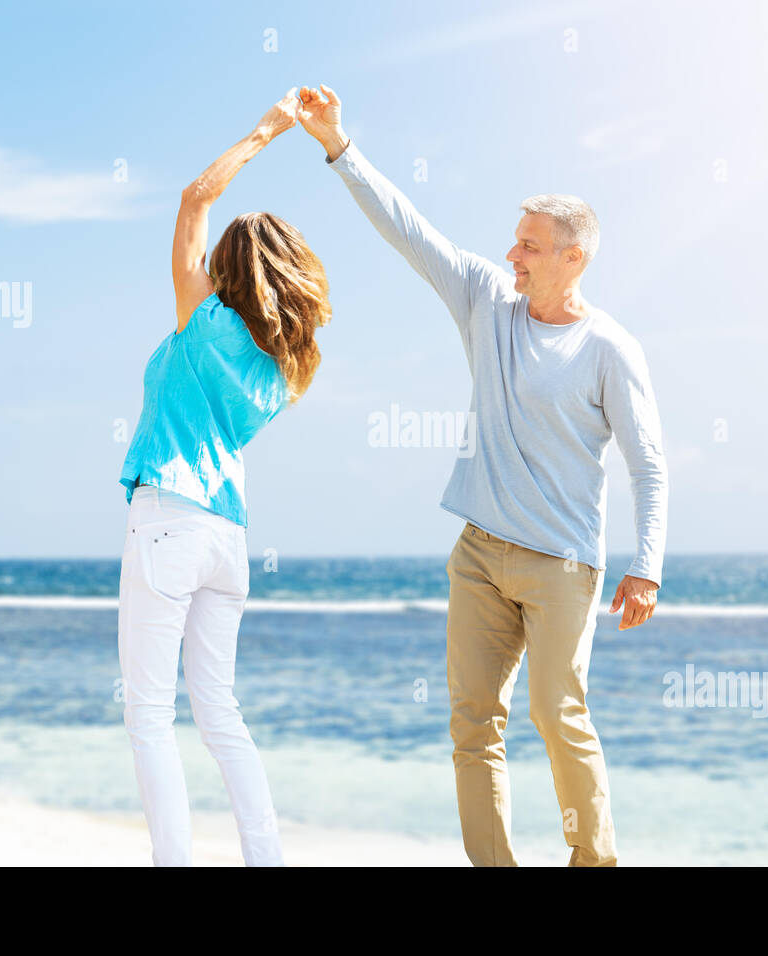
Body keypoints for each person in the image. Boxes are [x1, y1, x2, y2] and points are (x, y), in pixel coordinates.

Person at [296, 84, 668, 867]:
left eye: (530, 245)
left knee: (558, 713)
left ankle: (592, 860)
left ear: (575, 257)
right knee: (473, 724)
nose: (513, 254)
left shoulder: (609, 349)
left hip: (563, 567)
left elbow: (648, 464)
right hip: (478, 555)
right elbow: (409, 231)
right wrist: (339, 146)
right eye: (515, 240)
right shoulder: (486, 301)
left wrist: (647, 568)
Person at [117, 89, 331, 866]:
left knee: (148, 714)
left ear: (226, 270)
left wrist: (269, 129)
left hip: (169, 519)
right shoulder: (284, 365)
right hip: (228, 537)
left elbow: (194, 196)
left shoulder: (201, 317)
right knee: (219, 714)